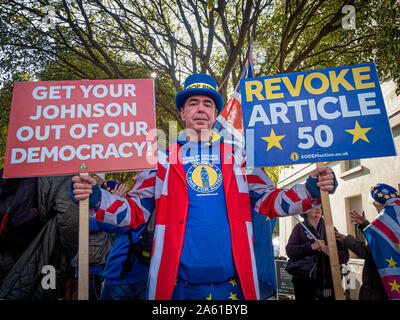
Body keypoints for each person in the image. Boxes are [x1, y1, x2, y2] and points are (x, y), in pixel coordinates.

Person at [71, 73, 337, 300]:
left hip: (233, 287)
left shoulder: (240, 157)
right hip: (175, 287)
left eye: (207, 104)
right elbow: (135, 211)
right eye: (193, 103)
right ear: (183, 112)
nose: (200, 109)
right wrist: (96, 198)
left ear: (215, 113)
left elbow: (271, 201)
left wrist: (312, 190)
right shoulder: (160, 159)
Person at [335, 183, 400, 300]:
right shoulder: (396, 216)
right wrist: (365, 225)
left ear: (376, 203)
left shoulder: (382, 220)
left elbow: (368, 252)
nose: (375, 208)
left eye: (373, 204)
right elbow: (386, 241)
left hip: (379, 287)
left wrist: (346, 239)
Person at [286, 207, 349, 300]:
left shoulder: (331, 229)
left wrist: (331, 251)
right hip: (304, 282)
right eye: (313, 207)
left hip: (328, 283)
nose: (318, 209)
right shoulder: (299, 228)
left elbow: (345, 256)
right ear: (306, 211)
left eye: (319, 207)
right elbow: (290, 251)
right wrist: (311, 246)